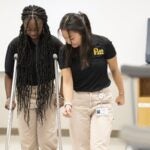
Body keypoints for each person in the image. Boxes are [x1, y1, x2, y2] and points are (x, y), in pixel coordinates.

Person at [58, 12, 125, 150]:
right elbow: (67, 81)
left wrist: (121, 93)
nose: (69, 42)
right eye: (65, 39)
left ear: (82, 31)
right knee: (80, 147)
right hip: (78, 102)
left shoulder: (103, 44)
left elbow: (114, 70)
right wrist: (68, 103)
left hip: (102, 101)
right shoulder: (65, 51)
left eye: (72, 38)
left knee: (98, 146)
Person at [4, 5, 63, 150]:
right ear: (23, 25)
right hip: (25, 93)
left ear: (44, 24)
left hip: (47, 92)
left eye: (36, 29)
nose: (33, 32)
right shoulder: (15, 45)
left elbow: (66, 72)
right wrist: (8, 97)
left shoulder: (54, 44)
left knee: (47, 140)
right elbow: (8, 74)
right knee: (28, 140)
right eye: (29, 29)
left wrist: (61, 95)